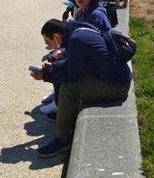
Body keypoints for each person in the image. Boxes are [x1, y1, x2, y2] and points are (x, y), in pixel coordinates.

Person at [31, 18, 132, 158]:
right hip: (116, 78)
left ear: (56, 36)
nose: (48, 47)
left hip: (115, 86)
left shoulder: (76, 40)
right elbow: (74, 64)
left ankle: (63, 138)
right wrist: (53, 66)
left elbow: (71, 74)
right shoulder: (77, 32)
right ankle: (63, 114)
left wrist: (44, 75)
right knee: (64, 76)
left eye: (48, 42)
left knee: (69, 88)